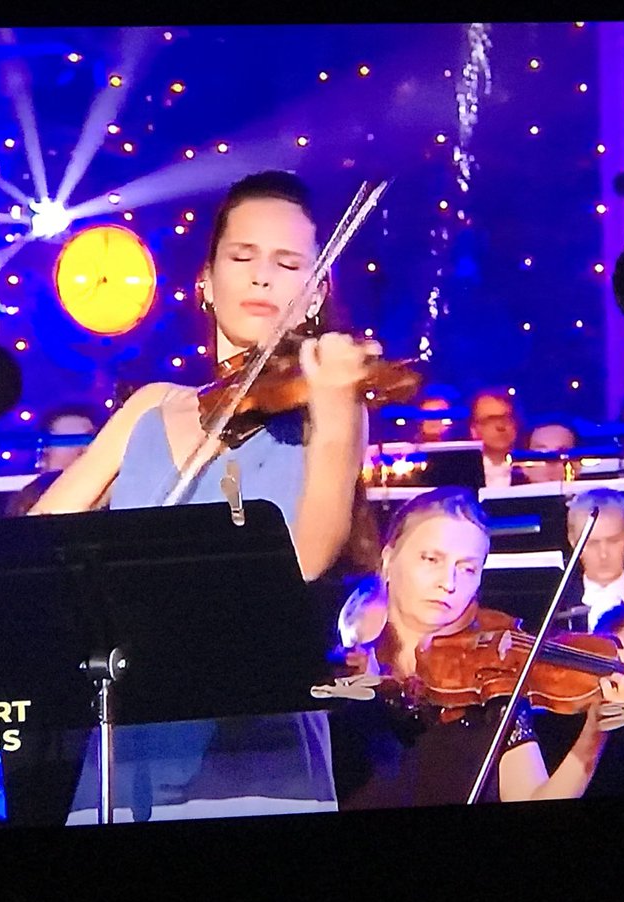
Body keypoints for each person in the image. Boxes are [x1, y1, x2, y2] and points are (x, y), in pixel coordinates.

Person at [32, 169, 379, 823]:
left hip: (260, 752)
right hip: (131, 745)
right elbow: (42, 539)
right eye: (241, 257)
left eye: (287, 264)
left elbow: (303, 557)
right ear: (206, 281)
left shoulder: (329, 412)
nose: (260, 277)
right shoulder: (149, 408)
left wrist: (335, 400)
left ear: (314, 294)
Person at [325, 487, 624, 808]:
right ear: (388, 560)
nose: (449, 582)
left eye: (467, 568)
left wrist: (594, 735)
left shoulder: (492, 685)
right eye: (431, 559)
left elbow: (532, 798)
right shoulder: (342, 677)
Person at [556, 488, 624, 633]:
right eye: (593, 543)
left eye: (613, 541)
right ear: (573, 542)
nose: (603, 554)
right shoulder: (556, 606)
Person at [5, 403, 103, 517]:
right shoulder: (28, 501)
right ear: (45, 450)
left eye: (88, 439)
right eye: (69, 441)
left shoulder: (107, 494)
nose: (83, 448)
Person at [468, 388, 526, 488]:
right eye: (490, 420)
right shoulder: (463, 474)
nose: (500, 426)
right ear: (473, 429)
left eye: (506, 418)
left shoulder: (531, 470)